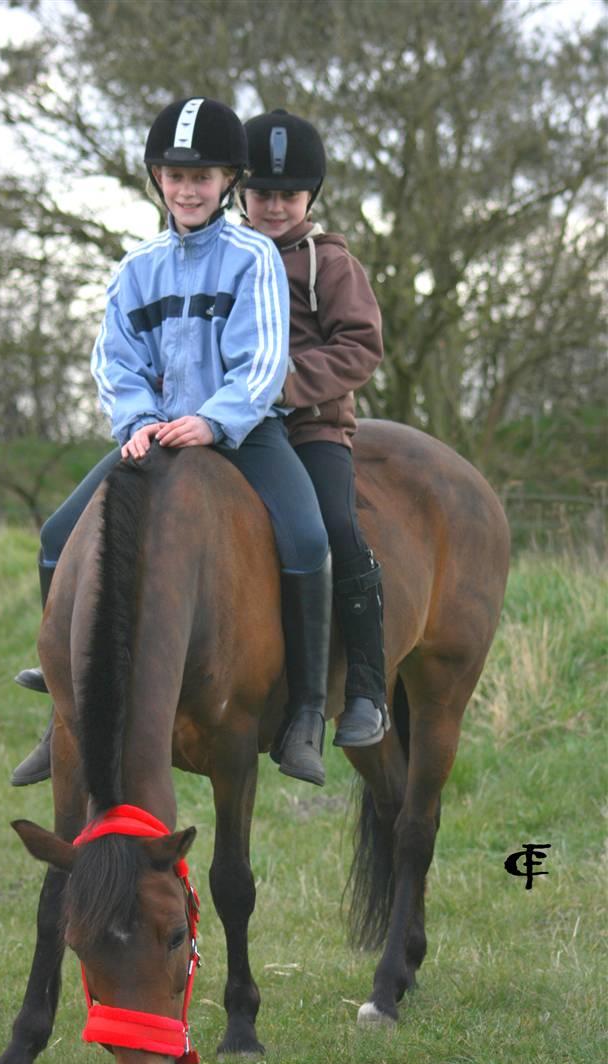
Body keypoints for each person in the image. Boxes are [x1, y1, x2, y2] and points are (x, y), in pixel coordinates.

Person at [11, 96, 332, 789]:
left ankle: (306, 710)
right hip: (154, 435)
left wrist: (214, 420)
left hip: (243, 435)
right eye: (176, 176)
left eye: (205, 176)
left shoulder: (254, 258)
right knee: (58, 535)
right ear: (157, 179)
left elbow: (266, 359)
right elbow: (114, 359)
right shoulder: (137, 267)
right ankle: (63, 708)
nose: (189, 189)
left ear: (228, 183)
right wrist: (139, 423)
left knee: (308, 539)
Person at [241, 109, 389, 751]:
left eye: (288, 195)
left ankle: (366, 687)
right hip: (229, 428)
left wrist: (285, 382)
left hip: (312, 429)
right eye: (262, 193)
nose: (275, 206)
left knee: (335, 524)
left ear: (310, 198)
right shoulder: (225, 256)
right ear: (240, 194)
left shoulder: (329, 263)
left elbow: (362, 344)